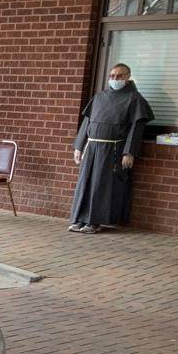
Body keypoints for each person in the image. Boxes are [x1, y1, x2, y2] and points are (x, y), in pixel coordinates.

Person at [68, 63, 153, 234]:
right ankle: (79, 218)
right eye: (112, 76)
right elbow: (87, 122)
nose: (115, 79)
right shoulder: (99, 97)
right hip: (91, 147)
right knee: (85, 182)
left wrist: (129, 151)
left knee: (101, 185)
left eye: (119, 76)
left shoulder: (135, 99)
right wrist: (79, 146)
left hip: (112, 150)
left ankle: (94, 222)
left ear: (128, 77)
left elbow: (136, 128)